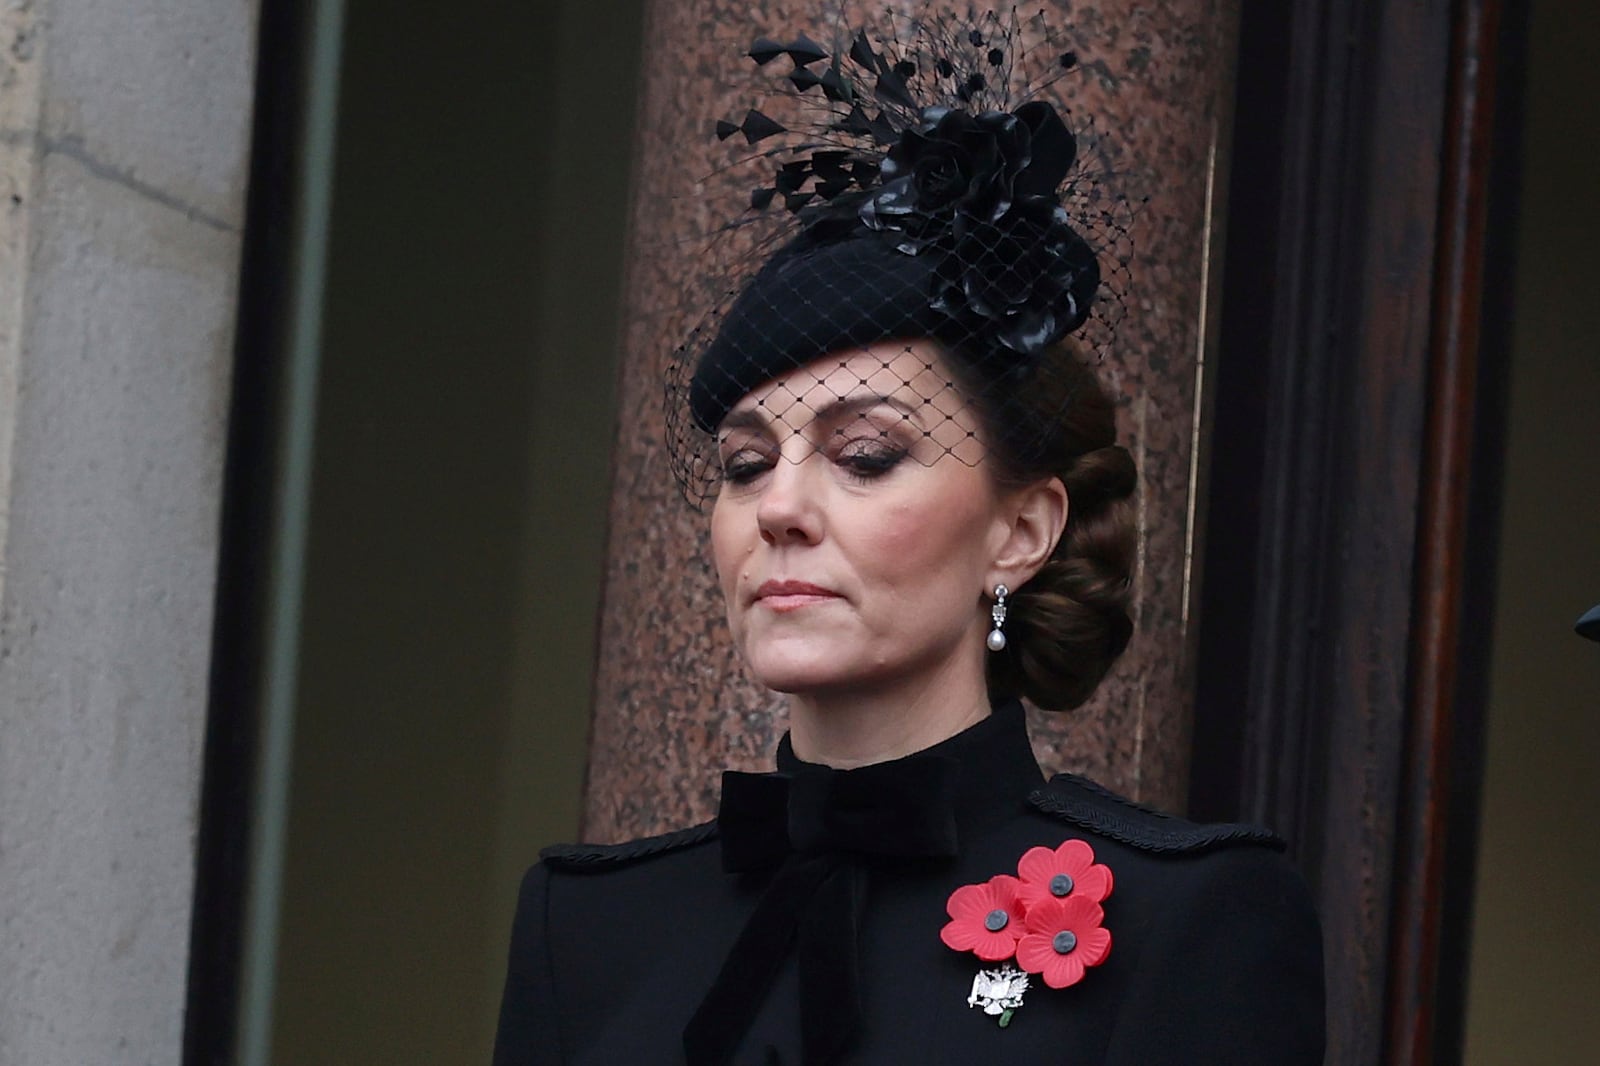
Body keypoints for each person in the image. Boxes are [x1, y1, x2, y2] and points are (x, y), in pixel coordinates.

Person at [494, 13, 1324, 1065]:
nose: (780, 507)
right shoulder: (590, 927)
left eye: (866, 454)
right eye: (747, 463)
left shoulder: (1183, 918)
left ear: (1019, 531)